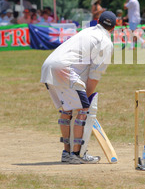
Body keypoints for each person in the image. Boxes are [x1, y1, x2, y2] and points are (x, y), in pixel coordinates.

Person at [40, 11, 115, 164]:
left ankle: (67, 153)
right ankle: (77, 154)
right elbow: (94, 77)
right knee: (83, 110)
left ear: (98, 21)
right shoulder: (106, 43)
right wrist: (85, 100)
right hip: (64, 68)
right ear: (113, 28)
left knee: (67, 110)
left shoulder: (87, 31)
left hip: (48, 66)